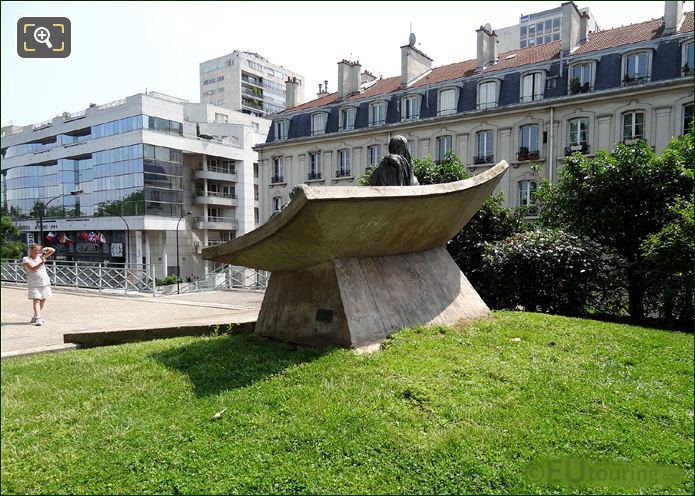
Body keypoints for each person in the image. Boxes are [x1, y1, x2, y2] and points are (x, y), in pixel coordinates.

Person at [22, 244, 55, 326]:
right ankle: (39, 318)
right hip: (34, 282)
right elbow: (32, 268)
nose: (37, 252)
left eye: (38, 250)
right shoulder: (26, 259)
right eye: (35, 250)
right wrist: (42, 262)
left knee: (43, 299)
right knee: (36, 299)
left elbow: (52, 250)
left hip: (44, 281)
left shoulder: (40, 256)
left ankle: (35, 315)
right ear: (30, 250)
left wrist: (46, 248)